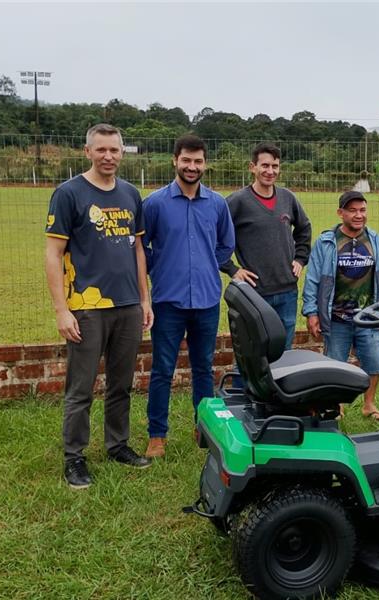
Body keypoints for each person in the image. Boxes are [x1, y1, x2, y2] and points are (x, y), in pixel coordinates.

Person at [44, 123, 153, 489]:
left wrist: (144, 298)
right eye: (101, 150)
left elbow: (138, 249)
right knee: (81, 387)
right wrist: (62, 309)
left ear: (122, 153)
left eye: (114, 150)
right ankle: (74, 457)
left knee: (121, 383)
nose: (108, 156)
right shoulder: (68, 193)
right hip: (86, 308)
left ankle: (117, 444)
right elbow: (53, 252)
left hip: (127, 305)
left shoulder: (130, 194)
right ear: (87, 151)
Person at [141, 134, 235, 458]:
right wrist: (161, 266)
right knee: (162, 370)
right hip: (168, 301)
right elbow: (142, 247)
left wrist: (208, 263)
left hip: (207, 299)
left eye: (197, 161)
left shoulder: (217, 204)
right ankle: (157, 436)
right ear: (175, 161)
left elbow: (226, 245)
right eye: (186, 160)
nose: (191, 167)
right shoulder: (154, 203)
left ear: (205, 163)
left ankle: (203, 428)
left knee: (203, 368)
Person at [302, 191, 379, 420]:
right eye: (352, 210)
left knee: (374, 363)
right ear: (340, 213)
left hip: (368, 315)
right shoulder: (326, 242)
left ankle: (369, 405)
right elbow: (313, 279)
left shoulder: (374, 240)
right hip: (336, 317)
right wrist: (311, 312)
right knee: (335, 364)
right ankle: (337, 406)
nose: (358, 215)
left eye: (362, 210)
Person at [224, 143, 312, 350]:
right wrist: (232, 269)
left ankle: (280, 384)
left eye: (275, 166)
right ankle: (245, 384)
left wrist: (300, 258)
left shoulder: (287, 198)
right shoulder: (237, 202)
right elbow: (214, 238)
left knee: (283, 351)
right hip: (254, 292)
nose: (270, 171)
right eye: (264, 166)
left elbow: (304, 229)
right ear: (252, 167)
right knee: (251, 350)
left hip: (287, 291)